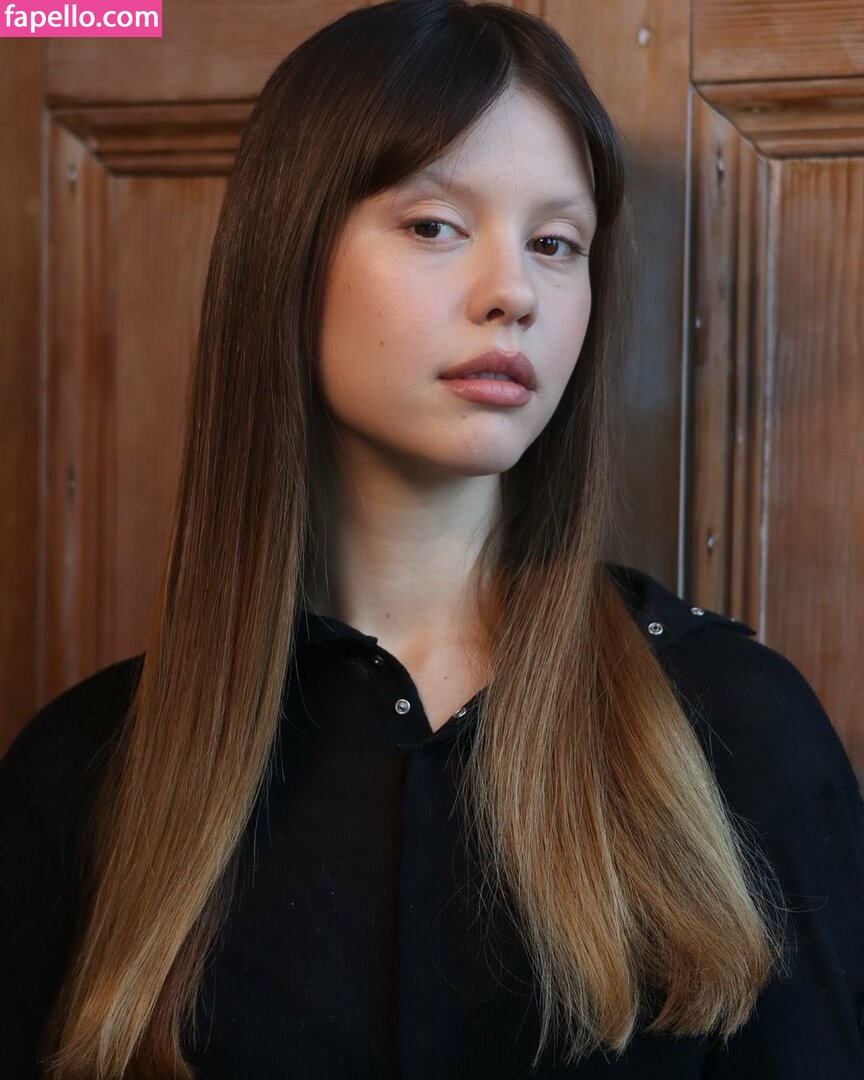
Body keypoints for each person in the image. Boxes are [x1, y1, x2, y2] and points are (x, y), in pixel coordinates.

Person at [2, 1, 863, 1077]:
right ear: (287, 253)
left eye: (556, 244)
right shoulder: (80, 777)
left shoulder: (738, 731)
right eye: (434, 226)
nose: (514, 293)